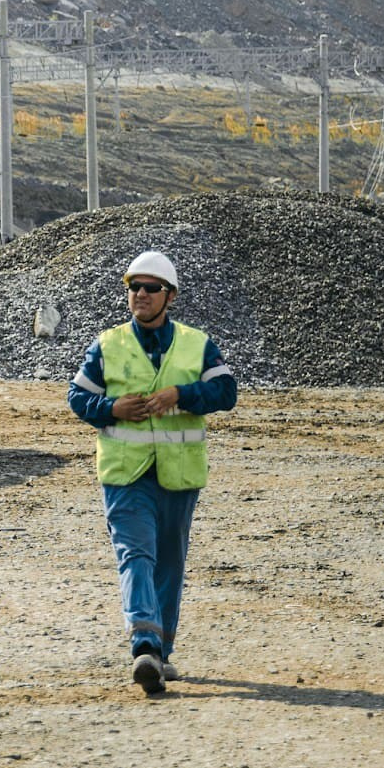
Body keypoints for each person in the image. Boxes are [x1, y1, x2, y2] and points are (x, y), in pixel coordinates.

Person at [67, 249, 237, 695]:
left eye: (151, 288)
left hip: (178, 475)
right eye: (134, 287)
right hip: (125, 474)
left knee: (170, 564)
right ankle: (144, 645)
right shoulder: (107, 346)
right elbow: (77, 398)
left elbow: (226, 392)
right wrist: (112, 408)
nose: (140, 294)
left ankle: (161, 654)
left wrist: (181, 394)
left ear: (170, 296)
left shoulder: (197, 345)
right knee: (136, 555)